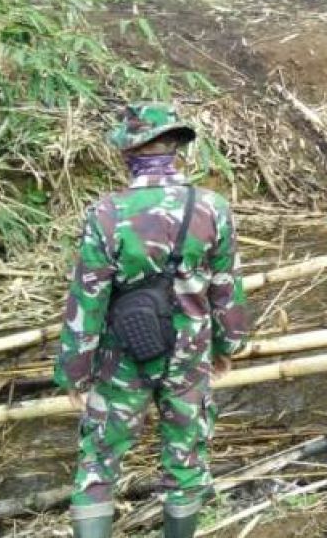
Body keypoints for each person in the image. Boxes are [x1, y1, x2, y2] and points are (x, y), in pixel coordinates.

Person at [54, 103, 248, 538]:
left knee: (99, 461)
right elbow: (226, 288)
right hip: (189, 355)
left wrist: (74, 371)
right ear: (177, 149)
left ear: (128, 152)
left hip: (121, 358)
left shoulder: (106, 213)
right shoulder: (212, 207)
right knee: (186, 458)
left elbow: (87, 299)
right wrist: (226, 346)